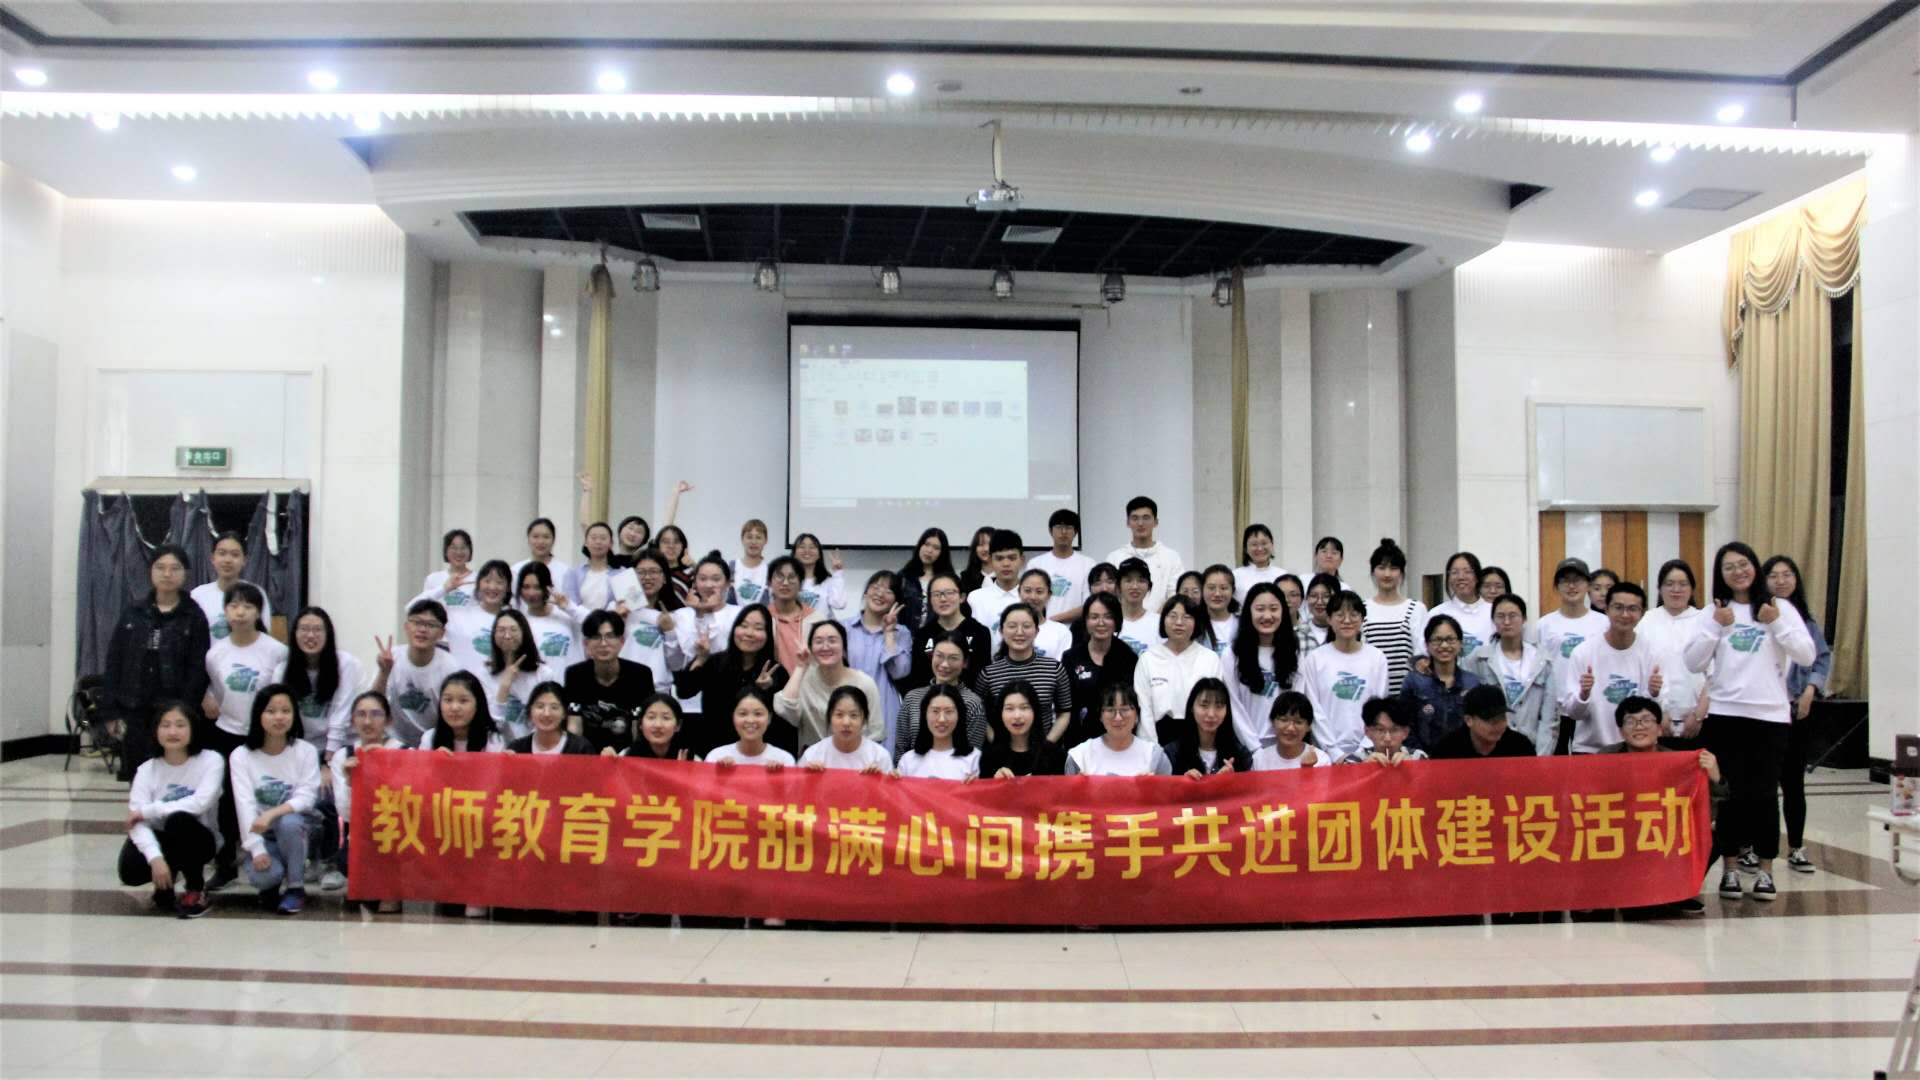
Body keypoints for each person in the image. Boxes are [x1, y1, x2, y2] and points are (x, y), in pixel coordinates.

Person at [1684, 542, 1814, 903]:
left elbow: (1806, 655)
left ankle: (1766, 870)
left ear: (1754, 567)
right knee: (1728, 795)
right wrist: (1715, 627)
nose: (1738, 572)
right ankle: (1730, 869)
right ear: (1720, 574)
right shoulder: (1713, 612)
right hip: (1725, 714)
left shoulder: (1779, 607)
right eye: (1729, 567)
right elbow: (1693, 662)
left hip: (1769, 716)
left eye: (1743, 564)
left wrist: (1776, 624)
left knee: (1764, 795)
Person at [1600, 694, 1725, 916]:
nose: (1639, 726)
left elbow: (1709, 806)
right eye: (1630, 721)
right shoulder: (1604, 759)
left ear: (1659, 729)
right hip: (1621, 832)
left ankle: (1678, 891)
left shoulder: (1679, 762)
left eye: (1646, 720)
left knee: (1718, 834)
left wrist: (1715, 777)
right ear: (1621, 731)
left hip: (1662, 832)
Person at [201, 582, 288, 889]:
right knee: (227, 803)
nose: (240, 612)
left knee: (262, 796)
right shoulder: (215, 654)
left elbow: (279, 697)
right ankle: (226, 861)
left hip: (263, 736)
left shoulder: (276, 651)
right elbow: (214, 693)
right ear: (225, 611)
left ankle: (270, 857)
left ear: (258, 612)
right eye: (234, 606)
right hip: (227, 733)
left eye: (248, 606)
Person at [103, 544, 212, 781]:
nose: (167, 574)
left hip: (175, 711)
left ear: (185, 573)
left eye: (175, 568)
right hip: (134, 708)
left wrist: (187, 710)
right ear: (151, 571)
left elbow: (198, 669)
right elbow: (114, 661)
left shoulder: (194, 616)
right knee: (137, 775)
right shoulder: (134, 612)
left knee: (173, 777)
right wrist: (111, 711)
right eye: (160, 567)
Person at [119, 702, 223, 918]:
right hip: (163, 838)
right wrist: (155, 859)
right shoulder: (146, 770)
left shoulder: (211, 760)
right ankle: (165, 881)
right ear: (156, 731)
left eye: (180, 725)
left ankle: (195, 888)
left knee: (178, 820)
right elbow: (136, 821)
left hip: (200, 838)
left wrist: (149, 811)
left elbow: (200, 803)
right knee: (130, 869)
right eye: (165, 725)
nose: (173, 732)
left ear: (193, 729)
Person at [1762, 554, 1831, 875]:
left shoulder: (1806, 620)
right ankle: (1755, 847)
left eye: (1787, 574)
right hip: (1764, 711)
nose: (1780, 581)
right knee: (1763, 783)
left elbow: (1821, 658)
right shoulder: (1757, 616)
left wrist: (1810, 690)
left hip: (1797, 710)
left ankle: (1796, 847)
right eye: (1773, 575)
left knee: (1793, 783)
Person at [228, 684, 323, 915]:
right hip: (262, 833)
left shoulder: (306, 751)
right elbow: (244, 805)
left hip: (301, 827)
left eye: (285, 711)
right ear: (258, 715)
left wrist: (272, 813)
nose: (279, 717)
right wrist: (256, 848)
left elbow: (306, 798)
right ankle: (274, 879)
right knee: (266, 877)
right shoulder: (241, 756)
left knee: (289, 822)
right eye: (271, 711)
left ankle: (296, 887)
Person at [1562, 582, 1671, 755]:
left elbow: (1659, 713)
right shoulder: (1583, 653)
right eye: (1618, 607)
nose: (1625, 615)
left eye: (1632, 609)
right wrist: (1583, 695)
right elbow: (1573, 713)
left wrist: (1654, 694)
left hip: (1637, 750)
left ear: (1642, 613)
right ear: (1606, 609)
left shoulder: (1653, 652)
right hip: (1591, 751)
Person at [672, 602, 789, 754]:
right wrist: (700, 659)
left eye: (758, 628)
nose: (749, 633)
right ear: (734, 628)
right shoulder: (716, 662)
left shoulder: (776, 672)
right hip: (714, 749)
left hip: (755, 753)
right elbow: (684, 691)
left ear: (768, 635)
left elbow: (783, 723)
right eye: (744, 626)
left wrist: (764, 691)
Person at [324, 691, 404, 907]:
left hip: (398, 833)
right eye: (361, 715)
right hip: (362, 834)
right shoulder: (344, 756)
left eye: (376, 714)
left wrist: (383, 765)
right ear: (352, 720)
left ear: (388, 720)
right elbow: (345, 814)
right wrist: (351, 782)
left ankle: (390, 891)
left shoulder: (405, 753)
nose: (368, 721)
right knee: (347, 861)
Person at [1297, 590, 1387, 763]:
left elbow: (1379, 708)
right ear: (1329, 619)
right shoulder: (1315, 659)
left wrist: (1362, 751)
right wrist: (1334, 752)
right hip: (1324, 754)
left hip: (1370, 753)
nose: (1347, 620)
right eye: (1340, 615)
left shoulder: (1377, 658)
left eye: (1353, 615)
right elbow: (1314, 709)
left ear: (1362, 619)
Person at [1462, 594, 1555, 755]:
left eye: (1512, 616)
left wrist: (1541, 758)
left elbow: (1549, 718)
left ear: (1524, 619)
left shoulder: (1542, 661)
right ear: (1493, 620)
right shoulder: (1478, 659)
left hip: (1532, 747)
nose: (1506, 622)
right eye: (1500, 616)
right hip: (1491, 748)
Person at [1537, 558, 1610, 753]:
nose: (1571, 586)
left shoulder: (1603, 623)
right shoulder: (1544, 624)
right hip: (1556, 708)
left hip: (1592, 708)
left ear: (1588, 585)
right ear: (1556, 586)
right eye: (1565, 581)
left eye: (1577, 580)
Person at [973, 604, 1075, 745]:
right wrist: (997, 743)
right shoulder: (988, 674)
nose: (1019, 632)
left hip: (1044, 750)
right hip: (1002, 751)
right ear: (1001, 631)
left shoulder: (1054, 669)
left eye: (1026, 626)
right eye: (1012, 626)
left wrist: (1047, 745)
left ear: (1037, 631)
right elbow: (979, 713)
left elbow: (1064, 712)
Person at [774, 621, 882, 753]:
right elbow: (783, 709)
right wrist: (801, 666)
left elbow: (876, 733)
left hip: (856, 758)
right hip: (813, 760)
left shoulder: (865, 683)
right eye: (818, 642)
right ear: (811, 649)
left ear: (844, 647)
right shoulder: (804, 680)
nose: (825, 647)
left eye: (832, 640)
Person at [1133, 596, 1223, 746]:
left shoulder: (1210, 659)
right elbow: (1144, 709)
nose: (1179, 622)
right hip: (1159, 736)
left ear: (1196, 622)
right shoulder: (1148, 659)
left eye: (1187, 617)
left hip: (1198, 736)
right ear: (1163, 620)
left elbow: (1214, 705)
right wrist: (1152, 749)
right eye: (1172, 616)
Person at [370, 600, 461, 747]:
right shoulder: (391, 657)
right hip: (394, 743)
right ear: (406, 627)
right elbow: (373, 704)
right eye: (417, 622)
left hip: (434, 743)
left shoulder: (451, 667)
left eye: (431, 625)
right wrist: (384, 672)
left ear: (441, 633)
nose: (422, 629)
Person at [563, 610, 656, 754]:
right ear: (586, 643)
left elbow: (639, 728)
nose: (603, 643)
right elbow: (574, 725)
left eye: (610, 636)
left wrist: (630, 757)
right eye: (596, 637)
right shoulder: (575, 675)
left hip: (628, 755)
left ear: (622, 641)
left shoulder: (640, 675)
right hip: (588, 755)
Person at [1223, 582, 1301, 751]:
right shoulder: (1232, 654)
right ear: (1249, 612)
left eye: (1274, 609)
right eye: (1260, 609)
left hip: (1285, 747)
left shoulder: (1294, 652)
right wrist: (1255, 748)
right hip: (1245, 747)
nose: (1267, 616)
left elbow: (1297, 702)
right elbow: (1233, 706)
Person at [1639, 559, 1709, 740]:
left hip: (1699, 720)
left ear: (1692, 588)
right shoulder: (1647, 621)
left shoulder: (1704, 620)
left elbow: (1715, 675)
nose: (1676, 590)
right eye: (1669, 584)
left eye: (1683, 584)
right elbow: (1639, 670)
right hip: (1654, 720)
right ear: (1660, 589)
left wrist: (1699, 715)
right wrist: (1657, 713)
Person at [1059, 591, 1139, 748]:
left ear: (1116, 621)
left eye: (1108, 617)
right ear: (1086, 621)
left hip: (1118, 738)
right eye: (1094, 617)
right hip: (1079, 741)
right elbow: (1066, 706)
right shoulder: (1071, 657)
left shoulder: (1128, 657)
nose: (1101, 623)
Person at [844, 571, 912, 749]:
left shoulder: (901, 633)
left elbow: (900, 672)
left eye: (888, 591)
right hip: (846, 706)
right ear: (866, 592)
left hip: (884, 708)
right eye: (875, 587)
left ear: (896, 601)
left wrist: (889, 634)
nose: (880, 594)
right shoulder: (844, 628)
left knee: (882, 761)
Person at [285, 606, 363, 760]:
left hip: (342, 747)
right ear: (295, 633)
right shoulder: (283, 670)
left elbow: (342, 712)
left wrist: (329, 759)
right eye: (304, 629)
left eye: (317, 630)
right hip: (303, 748)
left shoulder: (345, 664)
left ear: (328, 634)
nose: (310, 635)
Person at [896, 633, 988, 761]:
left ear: (965, 662)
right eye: (939, 656)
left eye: (953, 658)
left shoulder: (973, 703)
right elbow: (900, 748)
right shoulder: (913, 698)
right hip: (914, 771)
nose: (944, 664)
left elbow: (972, 755)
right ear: (932, 656)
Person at [1400, 614, 1482, 754]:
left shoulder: (1472, 683)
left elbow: (1479, 726)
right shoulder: (1413, 681)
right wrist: (1419, 755)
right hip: (1424, 759)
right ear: (1427, 645)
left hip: (1465, 759)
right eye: (1437, 640)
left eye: (1450, 639)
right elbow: (1403, 724)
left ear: (1460, 643)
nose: (1444, 645)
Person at [1360, 538, 1427, 696]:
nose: (1387, 574)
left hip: (1407, 696)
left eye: (1393, 568)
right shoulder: (1362, 609)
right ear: (1373, 571)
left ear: (1401, 573)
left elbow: (1422, 653)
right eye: (1381, 568)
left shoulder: (1416, 609)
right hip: (1372, 695)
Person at [1065, 682, 1173, 777]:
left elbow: (1168, 793)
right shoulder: (1079, 757)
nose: (1118, 718)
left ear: (1137, 715)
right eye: (1110, 710)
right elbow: (1069, 794)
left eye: (1125, 710)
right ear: (1100, 716)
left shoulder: (1154, 756)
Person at [907, 571, 992, 690]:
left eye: (949, 593)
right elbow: (917, 678)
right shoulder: (923, 634)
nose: (943, 599)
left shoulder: (979, 632)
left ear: (962, 597)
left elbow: (982, 678)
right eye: (936, 594)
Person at [479, 608, 555, 741]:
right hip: (497, 747)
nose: (507, 636)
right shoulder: (484, 673)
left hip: (532, 747)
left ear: (524, 633)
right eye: (501, 630)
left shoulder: (543, 673)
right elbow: (492, 724)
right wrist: (505, 686)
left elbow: (546, 720)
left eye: (513, 630)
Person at [614, 549, 682, 690]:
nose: (647, 577)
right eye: (641, 572)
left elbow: (676, 664)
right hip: (623, 687)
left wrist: (670, 632)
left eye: (653, 571)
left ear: (664, 578)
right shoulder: (617, 609)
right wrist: (617, 621)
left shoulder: (674, 616)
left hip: (658, 691)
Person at [1105, 496, 1185, 613]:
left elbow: (1175, 594)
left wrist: (1154, 619)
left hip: (1160, 621)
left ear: (1156, 522)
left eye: (1146, 518)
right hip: (1123, 621)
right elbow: (1109, 596)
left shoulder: (1171, 557)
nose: (1140, 523)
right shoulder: (1114, 558)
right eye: (1135, 518)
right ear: (1128, 522)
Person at [191, 531, 274, 642]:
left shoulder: (256, 593)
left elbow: (263, 635)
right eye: (222, 553)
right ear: (212, 558)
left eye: (235, 555)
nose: (227, 560)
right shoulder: (197, 595)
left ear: (244, 560)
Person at [1167, 678, 1252, 777]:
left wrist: (1232, 781)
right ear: (1191, 707)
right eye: (1204, 705)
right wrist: (1182, 782)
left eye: (1219, 706)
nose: (1211, 714)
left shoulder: (1241, 755)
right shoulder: (1172, 753)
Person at [978, 682, 1065, 778]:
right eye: (1009, 708)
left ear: (1035, 711)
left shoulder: (1055, 754)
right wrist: (995, 782)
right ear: (1000, 713)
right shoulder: (988, 757)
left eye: (1024, 708)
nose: (1017, 716)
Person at [443, 559, 513, 677]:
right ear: (478, 584)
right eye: (487, 581)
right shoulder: (459, 616)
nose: (492, 587)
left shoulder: (513, 621)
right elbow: (413, 609)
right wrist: (444, 589)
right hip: (461, 685)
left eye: (499, 582)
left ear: (508, 588)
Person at [1430, 684, 1538, 759]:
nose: (1498, 725)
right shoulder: (1447, 750)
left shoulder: (1520, 747)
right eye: (1490, 720)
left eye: (1501, 718)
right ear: (1469, 720)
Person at [895, 686, 981, 780]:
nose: (941, 719)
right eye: (935, 711)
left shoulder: (975, 759)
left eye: (949, 711)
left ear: (959, 715)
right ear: (925, 714)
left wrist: (977, 785)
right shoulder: (908, 760)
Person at [798, 685, 892, 772]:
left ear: (864, 719)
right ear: (830, 717)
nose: (846, 723)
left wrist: (878, 779)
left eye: (854, 715)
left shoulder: (879, 757)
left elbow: (890, 785)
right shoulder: (812, 756)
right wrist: (809, 776)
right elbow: (796, 784)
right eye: (839, 715)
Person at [1025, 510, 1094, 624]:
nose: (1063, 532)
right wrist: (1046, 623)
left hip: (1075, 629)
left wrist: (1053, 621)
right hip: (1041, 628)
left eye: (1068, 527)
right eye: (1059, 527)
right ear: (1050, 531)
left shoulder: (1088, 564)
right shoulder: (1036, 564)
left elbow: (1089, 604)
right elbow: (1028, 600)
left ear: (1076, 532)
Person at [1425, 551, 1494, 658]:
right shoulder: (1437, 613)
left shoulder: (1493, 612)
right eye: (1455, 572)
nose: (1461, 577)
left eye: (1467, 571)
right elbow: (1424, 651)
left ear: (1477, 577)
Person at [515, 562, 584, 668]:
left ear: (548, 587)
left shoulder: (567, 613)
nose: (531, 593)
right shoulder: (519, 623)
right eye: (526, 587)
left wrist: (569, 608)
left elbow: (596, 624)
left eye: (537, 587)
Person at [705, 687, 796, 768]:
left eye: (758, 714)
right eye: (743, 714)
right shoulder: (715, 757)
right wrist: (721, 774)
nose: (750, 720)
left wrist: (778, 777)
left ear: (769, 718)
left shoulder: (784, 760)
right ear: (733, 717)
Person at [967, 529, 1026, 651]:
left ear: (1022, 560)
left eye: (1012, 558)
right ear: (990, 560)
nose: (1006, 564)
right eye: (999, 558)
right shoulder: (975, 598)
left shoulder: (1031, 598)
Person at [424, 671, 507, 753]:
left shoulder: (493, 740)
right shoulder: (429, 738)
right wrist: (435, 759)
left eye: (463, 701)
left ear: (478, 704)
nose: (454, 708)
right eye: (448, 700)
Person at [508, 681, 594, 755]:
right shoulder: (517, 749)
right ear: (530, 711)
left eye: (554, 707)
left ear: (564, 713)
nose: (547, 714)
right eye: (540, 706)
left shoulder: (581, 748)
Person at [896, 527, 956, 630]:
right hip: (906, 635)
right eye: (926, 544)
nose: (929, 550)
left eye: (936, 548)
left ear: (942, 553)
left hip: (937, 636)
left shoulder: (949, 580)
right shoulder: (904, 577)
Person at [1342, 696, 1426, 765]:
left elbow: (1428, 780)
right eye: (1380, 730)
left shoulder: (1418, 757)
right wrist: (1364, 769)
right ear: (1367, 731)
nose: (1387, 739)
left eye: (1394, 730)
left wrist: (1413, 769)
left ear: (1405, 732)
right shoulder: (1353, 761)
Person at [1250, 691, 1321, 770]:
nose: (1290, 728)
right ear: (1272, 722)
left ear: (1309, 726)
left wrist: (1308, 769)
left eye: (1298, 722)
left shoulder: (1320, 759)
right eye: (1284, 720)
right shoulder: (1259, 759)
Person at [560, 522, 620, 610]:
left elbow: (630, 603)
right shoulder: (573, 574)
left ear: (611, 544)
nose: (598, 542)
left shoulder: (621, 573)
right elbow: (569, 605)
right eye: (593, 538)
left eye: (603, 538)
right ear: (585, 543)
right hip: (579, 618)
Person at [1017, 569, 1073, 659]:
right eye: (1027, 591)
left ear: (1049, 595)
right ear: (1019, 592)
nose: (1033, 597)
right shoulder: (1008, 629)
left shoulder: (1061, 632)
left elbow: (1061, 665)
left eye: (1039, 592)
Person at [512, 517, 574, 596]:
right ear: (528, 539)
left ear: (553, 540)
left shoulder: (565, 572)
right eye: (535, 536)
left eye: (546, 537)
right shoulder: (516, 570)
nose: (541, 541)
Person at [1114, 557, 1163, 656]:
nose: (1135, 586)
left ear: (1149, 586)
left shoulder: (1159, 622)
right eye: (1128, 580)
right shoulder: (1109, 621)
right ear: (1118, 586)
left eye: (1141, 580)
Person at [620, 694, 692, 760]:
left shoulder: (691, 758)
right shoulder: (625, 756)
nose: (658, 725)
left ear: (678, 725)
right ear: (640, 723)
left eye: (666, 718)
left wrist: (683, 768)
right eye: (651, 717)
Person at [420, 529, 478, 610]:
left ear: (470, 551)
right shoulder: (433, 579)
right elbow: (422, 606)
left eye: (463, 547)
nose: (459, 552)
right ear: (445, 551)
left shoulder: (479, 579)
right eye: (453, 548)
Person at [790, 533, 845, 614]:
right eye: (802, 547)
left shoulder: (827, 580)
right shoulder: (787, 581)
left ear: (819, 554)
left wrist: (838, 574)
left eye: (812, 547)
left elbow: (839, 604)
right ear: (794, 553)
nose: (807, 551)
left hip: (821, 622)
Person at [1233, 523, 1288, 603]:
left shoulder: (1283, 575)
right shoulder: (1235, 575)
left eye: (1264, 543)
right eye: (1254, 544)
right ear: (1245, 549)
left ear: (1272, 545)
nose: (1260, 548)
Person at [730, 518, 772, 607]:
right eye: (749, 537)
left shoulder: (770, 570)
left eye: (758, 537)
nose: (754, 542)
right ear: (742, 539)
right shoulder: (731, 567)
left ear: (765, 541)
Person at [1200, 565, 1238, 657]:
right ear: (1202, 590)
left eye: (1223, 588)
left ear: (1233, 591)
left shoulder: (1244, 624)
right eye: (1211, 588)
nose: (1217, 594)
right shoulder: (1194, 625)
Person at [1298, 573, 1337, 653]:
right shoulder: (1296, 634)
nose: (1319, 602)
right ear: (1307, 598)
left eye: (1326, 596)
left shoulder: (1345, 632)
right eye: (1313, 596)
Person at [656, 524, 696, 599]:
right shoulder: (652, 572)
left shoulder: (690, 573)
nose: (671, 546)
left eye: (676, 542)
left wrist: (695, 567)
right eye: (666, 542)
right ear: (658, 545)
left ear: (683, 546)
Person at [958, 526, 995, 595]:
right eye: (981, 544)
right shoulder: (966, 577)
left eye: (990, 544)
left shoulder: (1006, 576)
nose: (986, 549)